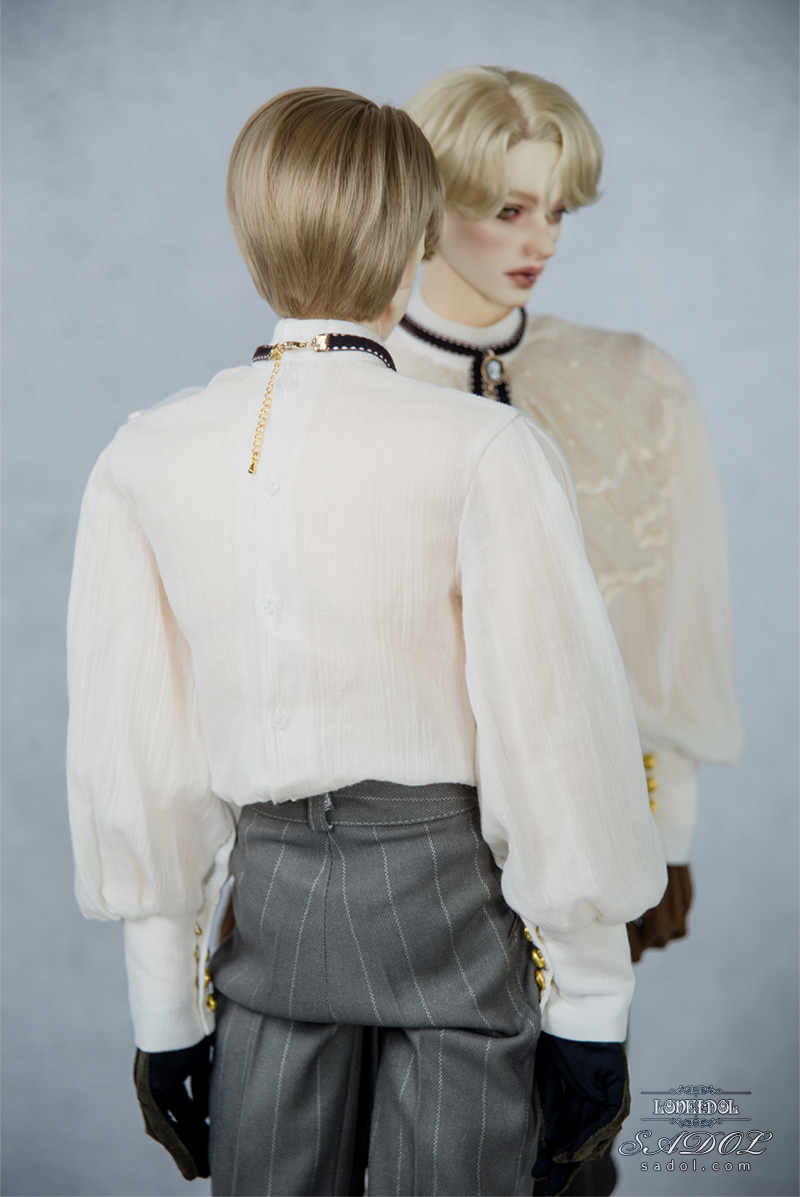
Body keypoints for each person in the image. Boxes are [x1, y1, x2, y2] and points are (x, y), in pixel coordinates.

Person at [66, 86, 666, 1196]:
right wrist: (590, 1001)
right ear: (414, 238)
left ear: (251, 232)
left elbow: (138, 758)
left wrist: (163, 1012)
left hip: (272, 927)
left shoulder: (145, 454)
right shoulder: (484, 449)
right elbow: (553, 737)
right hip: (447, 913)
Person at [388, 66, 743, 966]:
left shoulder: (636, 384)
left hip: (588, 838)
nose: (541, 239)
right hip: (390, 851)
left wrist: (670, 836)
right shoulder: (356, 390)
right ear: (430, 202)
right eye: (510, 209)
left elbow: (670, 627)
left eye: (557, 211)